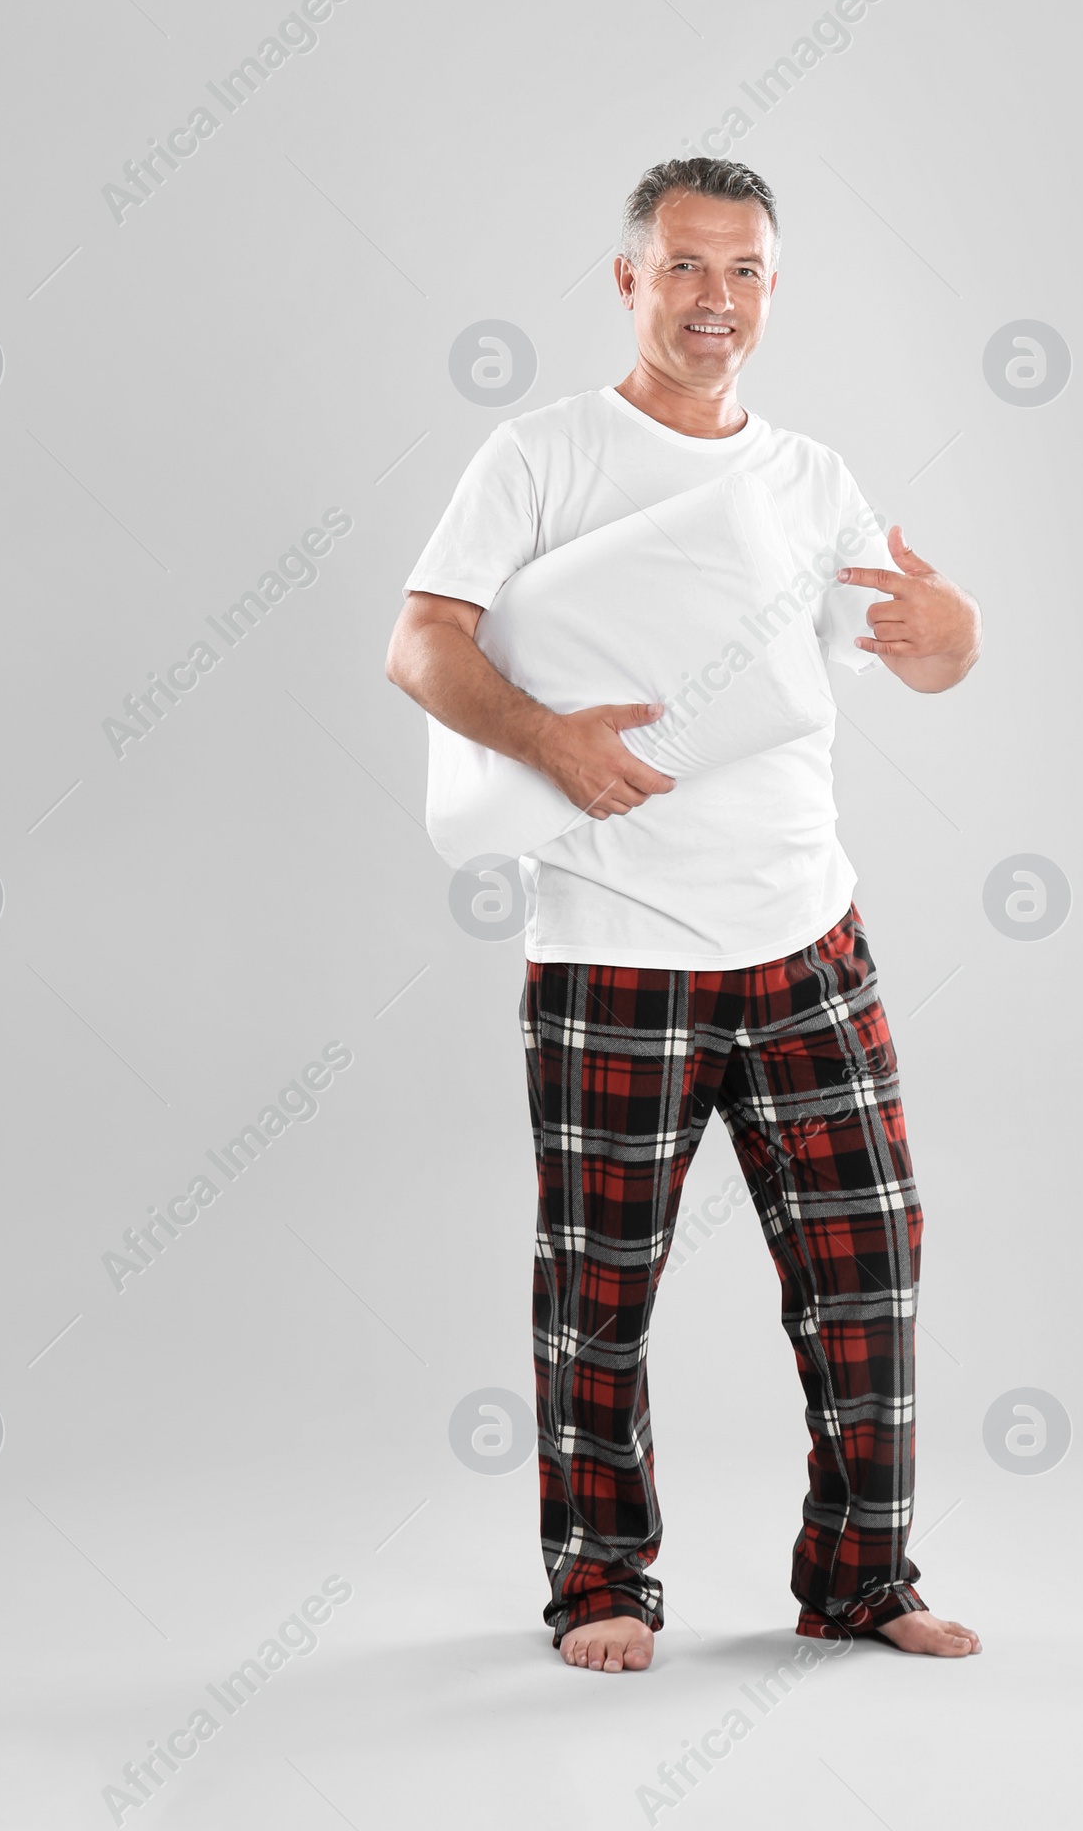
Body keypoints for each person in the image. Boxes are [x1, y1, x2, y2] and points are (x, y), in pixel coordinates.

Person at [385, 157, 983, 1673]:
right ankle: (600, 1583)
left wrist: (958, 638)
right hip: (613, 937)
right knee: (602, 1282)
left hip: (801, 925)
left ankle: (861, 1578)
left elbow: (910, 655)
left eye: (745, 272)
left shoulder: (809, 480)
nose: (714, 300)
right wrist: (546, 738)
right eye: (686, 267)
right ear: (629, 279)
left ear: (774, 290)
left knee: (868, 1260)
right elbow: (418, 645)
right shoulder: (542, 458)